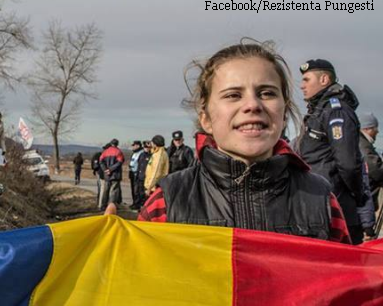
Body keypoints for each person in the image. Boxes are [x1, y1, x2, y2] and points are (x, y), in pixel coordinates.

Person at [139, 41, 350, 244]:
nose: (252, 105)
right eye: (233, 95)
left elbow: (346, 277)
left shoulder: (321, 200)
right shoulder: (168, 200)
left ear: (284, 113)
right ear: (206, 119)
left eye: (267, 93)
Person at [296, 59, 365, 244]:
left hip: (334, 202)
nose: (302, 86)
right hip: (317, 202)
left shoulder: (336, 111)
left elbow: (348, 163)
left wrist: (358, 195)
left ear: (324, 79)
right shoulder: (320, 110)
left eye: (306, 80)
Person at [357, 112, 383, 203]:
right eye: (375, 128)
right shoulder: (362, 144)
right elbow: (376, 169)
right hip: (364, 199)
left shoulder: (360, 142)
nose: (377, 131)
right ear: (367, 128)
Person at [99, 138, 125, 209]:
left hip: (107, 175)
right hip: (115, 174)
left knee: (106, 190)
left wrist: (105, 170)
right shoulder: (118, 152)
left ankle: (103, 205)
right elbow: (120, 162)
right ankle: (111, 206)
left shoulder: (105, 152)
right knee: (114, 191)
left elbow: (101, 161)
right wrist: (111, 169)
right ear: (117, 144)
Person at [133, 140, 152, 209]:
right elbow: (139, 165)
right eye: (145, 147)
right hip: (140, 177)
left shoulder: (152, 156)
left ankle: (145, 207)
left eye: (148, 147)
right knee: (139, 193)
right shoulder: (142, 155)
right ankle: (140, 206)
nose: (146, 149)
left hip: (147, 178)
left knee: (146, 194)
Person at [128, 140, 142, 207]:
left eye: (134, 145)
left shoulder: (141, 153)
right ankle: (134, 202)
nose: (132, 147)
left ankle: (137, 203)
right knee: (133, 189)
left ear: (138, 146)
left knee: (137, 190)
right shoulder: (134, 153)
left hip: (137, 173)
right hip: (132, 172)